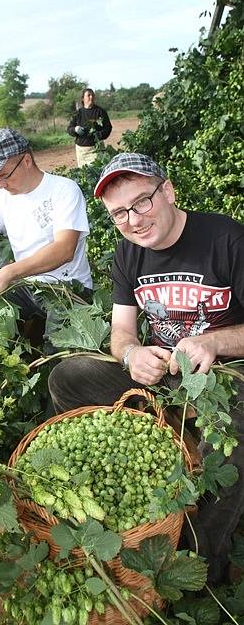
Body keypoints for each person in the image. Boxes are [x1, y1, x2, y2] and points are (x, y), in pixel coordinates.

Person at [48, 152, 244, 583]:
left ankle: (199, 561)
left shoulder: (227, 239)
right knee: (67, 376)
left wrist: (213, 341)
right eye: (119, 213)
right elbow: (121, 332)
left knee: (236, 442)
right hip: (162, 375)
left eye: (141, 202)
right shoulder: (128, 254)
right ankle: (144, 449)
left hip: (226, 378)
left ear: (168, 191)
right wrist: (132, 355)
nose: (133, 220)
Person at [0, 127, 92, 324]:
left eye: (5, 175)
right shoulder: (4, 198)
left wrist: (8, 272)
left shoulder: (63, 190)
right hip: (27, 285)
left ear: (26, 161)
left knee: (59, 351)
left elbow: (64, 250)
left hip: (66, 288)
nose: (1, 185)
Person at [67, 88, 112, 168]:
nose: (91, 97)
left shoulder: (100, 111)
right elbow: (69, 129)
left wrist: (100, 135)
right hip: (82, 151)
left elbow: (108, 128)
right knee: (84, 174)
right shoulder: (78, 113)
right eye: (88, 95)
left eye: (92, 95)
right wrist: (75, 129)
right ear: (83, 98)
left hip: (97, 149)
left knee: (97, 171)